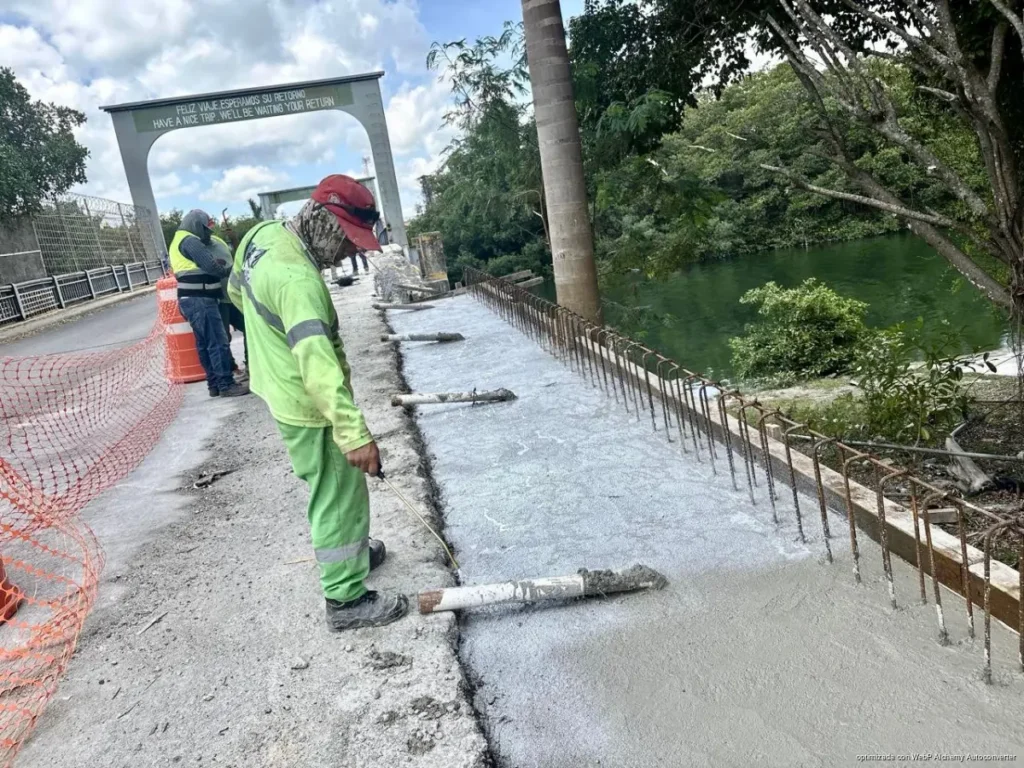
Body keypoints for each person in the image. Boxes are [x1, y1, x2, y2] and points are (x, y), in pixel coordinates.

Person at [227, 175, 407, 631]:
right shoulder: (298, 283)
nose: (350, 254)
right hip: (307, 403)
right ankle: (345, 599)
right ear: (324, 221)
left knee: (332, 490)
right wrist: (354, 434)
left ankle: (353, 552)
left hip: (277, 384)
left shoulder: (262, 236)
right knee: (339, 494)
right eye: (348, 242)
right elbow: (318, 367)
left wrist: (264, 340)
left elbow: (235, 291)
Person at [169, 210, 249, 398]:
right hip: (201, 300)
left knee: (205, 344)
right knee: (218, 342)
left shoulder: (178, 240)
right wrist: (232, 269)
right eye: (205, 229)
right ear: (197, 225)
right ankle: (226, 384)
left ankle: (214, 385)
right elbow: (212, 268)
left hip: (190, 299)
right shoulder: (190, 241)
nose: (207, 234)